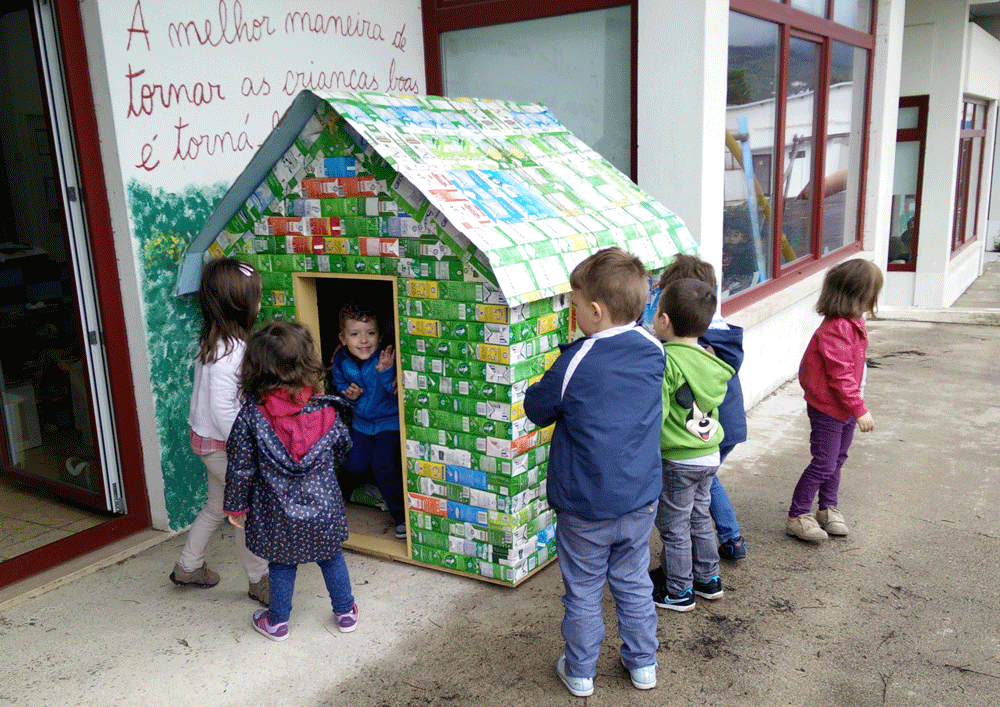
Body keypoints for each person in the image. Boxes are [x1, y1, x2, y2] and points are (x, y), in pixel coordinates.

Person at [524, 247, 664, 697]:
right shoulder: (652, 348)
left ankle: (580, 671)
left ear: (596, 310)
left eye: (575, 304)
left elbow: (537, 410)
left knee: (583, 588)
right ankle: (644, 664)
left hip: (585, 505)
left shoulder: (576, 360)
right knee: (633, 580)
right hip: (640, 497)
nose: (573, 310)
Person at [224, 321, 358, 641]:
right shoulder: (326, 409)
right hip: (324, 505)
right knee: (331, 556)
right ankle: (346, 612)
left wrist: (235, 505)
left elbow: (240, 467)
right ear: (307, 362)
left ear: (255, 370)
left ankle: (278, 623)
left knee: (282, 564)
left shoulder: (251, 416)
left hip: (276, 510)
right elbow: (342, 447)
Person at [169, 257, 270, 606]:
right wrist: (250, 449)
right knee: (245, 512)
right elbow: (224, 409)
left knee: (216, 505)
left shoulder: (214, 342)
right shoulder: (233, 353)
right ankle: (260, 580)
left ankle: (188, 566)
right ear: (240, 305)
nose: (259, 303)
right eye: (255, 296)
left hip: (207, 441)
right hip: (224, 447)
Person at [649, 278, 734, 613]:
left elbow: (658, 413)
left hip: (678, 459)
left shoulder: (666, 360)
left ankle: (679, 590)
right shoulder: (710, 360)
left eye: (656, 312)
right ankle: (708, 579)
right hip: (708, 454)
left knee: (674, 526)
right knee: (699, 517)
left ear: (665, 321)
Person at [655, 254, 748, 561]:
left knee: (688, 507)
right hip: (723, 426)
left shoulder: (690, 339)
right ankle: (720, 553)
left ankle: (724, 542)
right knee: (704, 487)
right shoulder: (720, 335)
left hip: (694, 435)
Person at [786, 259, 883, 542]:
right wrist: (860, 409)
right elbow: (840, 376)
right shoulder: (837, 329)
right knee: (824, 463)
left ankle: (827, 507)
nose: (873, 301)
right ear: (856, 296)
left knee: (837, 459)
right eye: (871, 295)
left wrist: (855, 407)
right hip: (829, 409)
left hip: (845, 408)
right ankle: (797, 515)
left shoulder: (853, 324)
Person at [331, 303, 406, 539]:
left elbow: (395, 391)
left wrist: (386, 371)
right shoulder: (341, 361)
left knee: (382, 464)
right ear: (343, 338)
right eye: (355, 334)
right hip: (361, 423)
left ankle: (401, 515)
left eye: (370, 333)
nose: (363, 341)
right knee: (354, 464)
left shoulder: (386, 357)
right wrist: (349, 395)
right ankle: (337, 496)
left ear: (380, 335)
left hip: (389, 422)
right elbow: (341, 385)